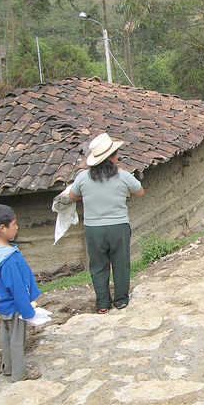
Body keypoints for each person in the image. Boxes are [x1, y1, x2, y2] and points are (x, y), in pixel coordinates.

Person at [69, 132, 144, 314]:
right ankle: (121, 300)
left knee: (98, 266)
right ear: (113, 157)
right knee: (121, 263)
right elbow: (140, 192)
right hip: (118, 227)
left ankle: (103, 303)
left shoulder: (83, 178)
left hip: (93, 229)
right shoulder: (123, 176)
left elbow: (72, 196)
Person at [0, 204, 42, 381]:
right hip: (15, 306)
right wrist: (27, 311)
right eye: (14, 224)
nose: (17, 227)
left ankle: (8, 367)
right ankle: (20, 373)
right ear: (2, 228)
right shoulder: (9, 259)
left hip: (2, 303)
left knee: (6, 338)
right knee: (17, 340)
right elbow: (17, 288)